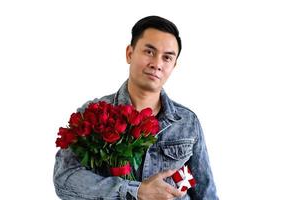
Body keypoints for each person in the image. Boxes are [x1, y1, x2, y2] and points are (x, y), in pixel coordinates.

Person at [53, 15, 218, 200]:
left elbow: (206, 193)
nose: (157, 64)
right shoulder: (94, 115)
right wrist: (135, 190)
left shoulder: (187, 122)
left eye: (167, 58)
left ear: (173, 65)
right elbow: (64, 179)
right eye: (149, 52)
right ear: (129, 53)